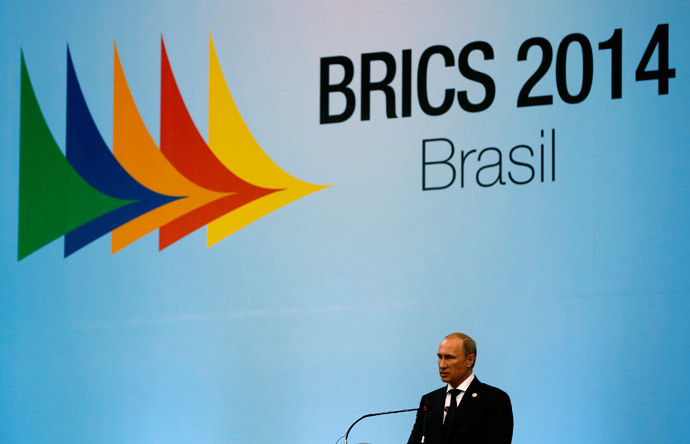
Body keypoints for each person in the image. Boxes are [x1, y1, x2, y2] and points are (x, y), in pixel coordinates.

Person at [407, 333, 513, 444]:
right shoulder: (429, 400)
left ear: (470, 360)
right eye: (440, 357)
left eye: (449, 357)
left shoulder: (494, 399)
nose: (442, 365)